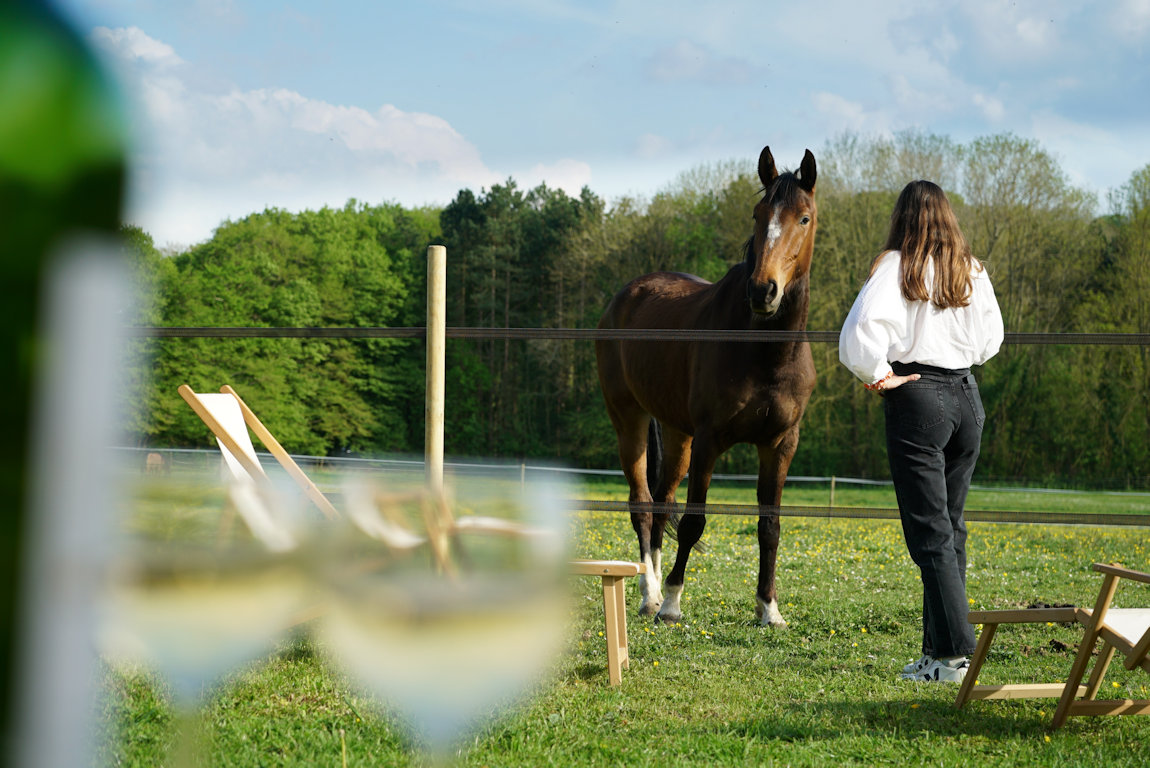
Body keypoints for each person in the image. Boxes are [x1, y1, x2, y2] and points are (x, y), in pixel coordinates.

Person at [838, 180, 1004, 683]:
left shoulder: (897, 264)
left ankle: (955, 656)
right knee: (950, 529)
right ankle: (937, 655)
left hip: (919, 398)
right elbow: (991, 340)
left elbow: (858, 333)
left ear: (903, 217)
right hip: (967, 399)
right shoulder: (970, 269)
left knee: (931, 535)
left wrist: (878, 374)